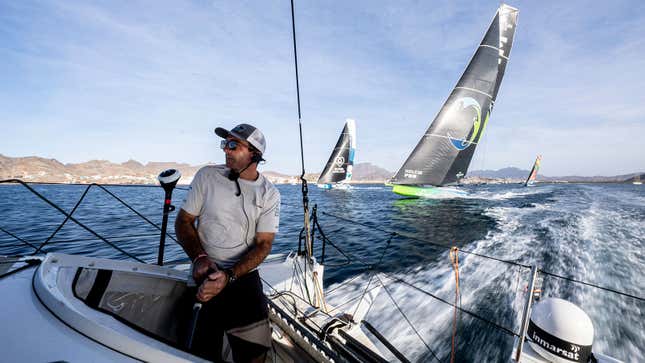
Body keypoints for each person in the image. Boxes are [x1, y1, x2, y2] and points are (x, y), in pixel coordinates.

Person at [175, 123, 280, 362]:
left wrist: (230, 275)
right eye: (225, 144)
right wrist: (200, 258)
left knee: (255, 354)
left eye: (233, 145)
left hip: (244, 279)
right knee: (201, 352)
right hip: (205, 273)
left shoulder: (269, 193)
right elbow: (183, 221)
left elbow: (264, 244)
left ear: (254, 154)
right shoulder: (207, 176)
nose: (226, 150)